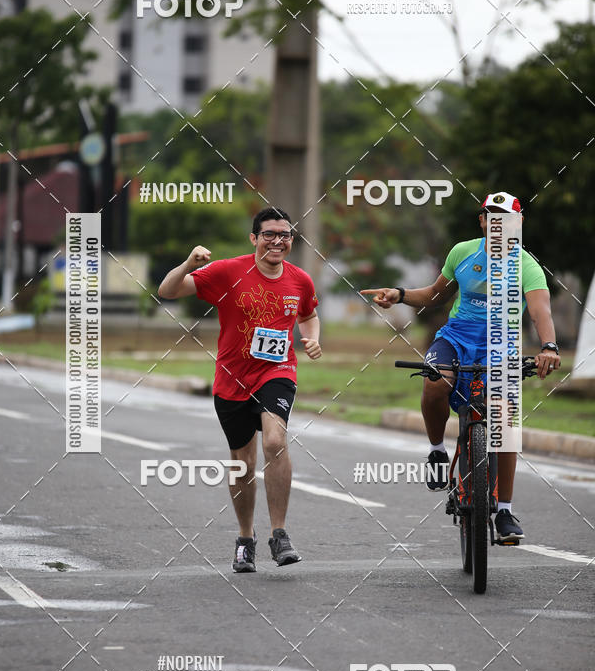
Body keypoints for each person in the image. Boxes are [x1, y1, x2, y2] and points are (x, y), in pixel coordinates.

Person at [361, 191, 561, 544]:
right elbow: (437, 294)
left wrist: (548, 346)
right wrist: (400, 294)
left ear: (518, 223)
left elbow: (540, 310)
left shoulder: (527, 265)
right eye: (491, 216)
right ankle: (438, 450)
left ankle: (504, 510)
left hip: (500, 345)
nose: (498, 223)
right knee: (435, 382)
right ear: (482, 221)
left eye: (506, 218)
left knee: (504, 417)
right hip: (456, 337)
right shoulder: (463, 252)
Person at [158, 207, 321, 572]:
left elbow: (309, 315)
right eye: (269, 234)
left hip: (278, 372)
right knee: (243, 463)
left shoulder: (300, 280)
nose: (278, 241)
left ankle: (279, 535)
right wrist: (188, 263)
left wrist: (311, 340)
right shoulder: (227, 271)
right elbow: (167, 291)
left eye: (285, 234)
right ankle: (245, 539)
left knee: (275, 441)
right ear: (254, 238)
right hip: (232, 379)